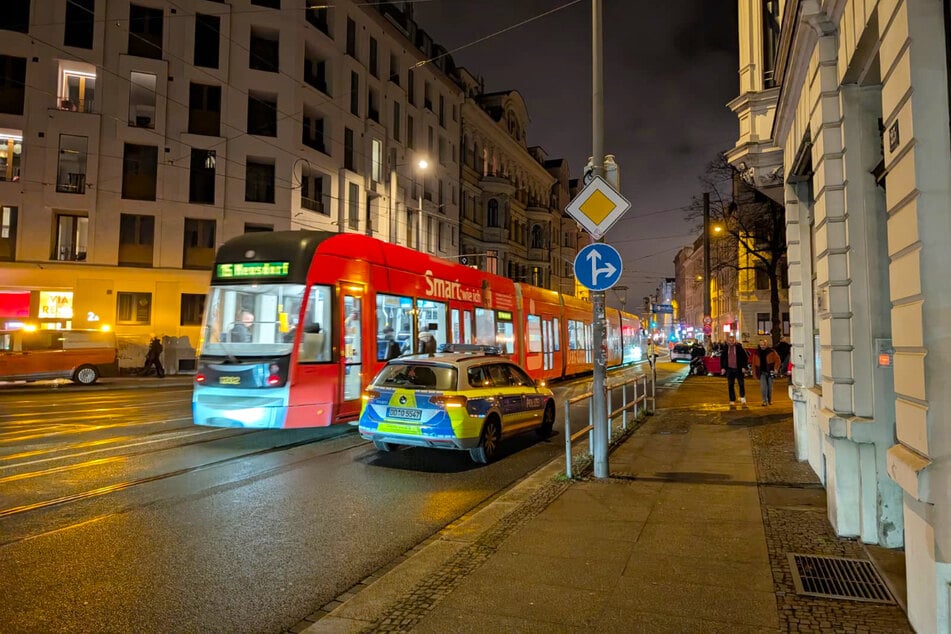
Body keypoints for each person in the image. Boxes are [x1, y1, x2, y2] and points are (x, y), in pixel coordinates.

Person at [719, 335, 749, 408]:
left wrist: (744, 367)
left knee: (741, 384)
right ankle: (732, 401)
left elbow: (745, 357)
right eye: (730, 340)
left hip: (738, 369)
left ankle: (743, 400)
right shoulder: (725, 348)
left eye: (732, 340)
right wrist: (723, 368)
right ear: (727, 341)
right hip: (729, 369)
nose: (731, 342)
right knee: (730, 385)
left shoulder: (739, 347)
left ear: (735, 340)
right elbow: (722, 358)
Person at [751, 338, 781, 406]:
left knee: (770, 388)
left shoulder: (772, 351)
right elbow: (754, 364)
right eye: (761, 345)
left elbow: (778, 360)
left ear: (766, 344)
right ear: (759, 345)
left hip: (771, 372)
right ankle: (764, 401)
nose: (762, 346)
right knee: (763, 388)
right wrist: (754, 374)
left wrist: (776, 369)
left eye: (764, 344)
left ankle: (769, 400)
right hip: (761, 373)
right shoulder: (756, 353)